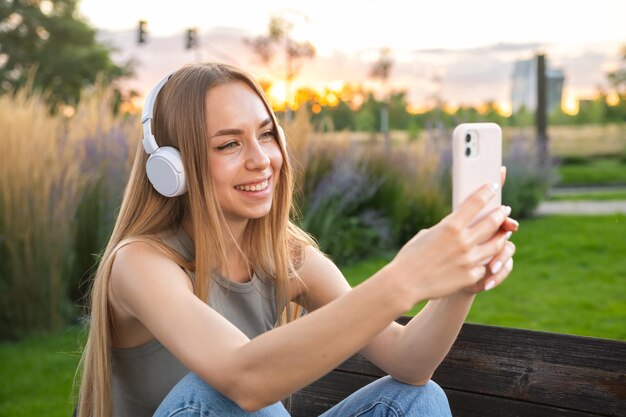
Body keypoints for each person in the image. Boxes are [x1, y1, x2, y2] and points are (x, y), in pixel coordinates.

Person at [75, 62, 518, 417]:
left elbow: (410, 361)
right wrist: (405, 277)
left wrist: (462, 282)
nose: (261, 160)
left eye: (266, 135)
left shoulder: (287, 258)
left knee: (419, 399)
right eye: (229, 145)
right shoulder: (140, 263)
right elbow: (243, 380)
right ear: (173, 169)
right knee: (214, 392)